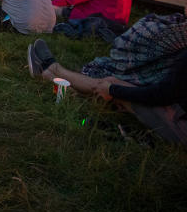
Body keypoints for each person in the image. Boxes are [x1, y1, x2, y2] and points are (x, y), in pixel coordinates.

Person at [27, 8, 187, 145]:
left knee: (111, 86)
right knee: (114, 86)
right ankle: (53, 74)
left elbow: (161, 95)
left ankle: (51, 70)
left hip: (180, 126)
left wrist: (112, 90)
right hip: (177, 109)